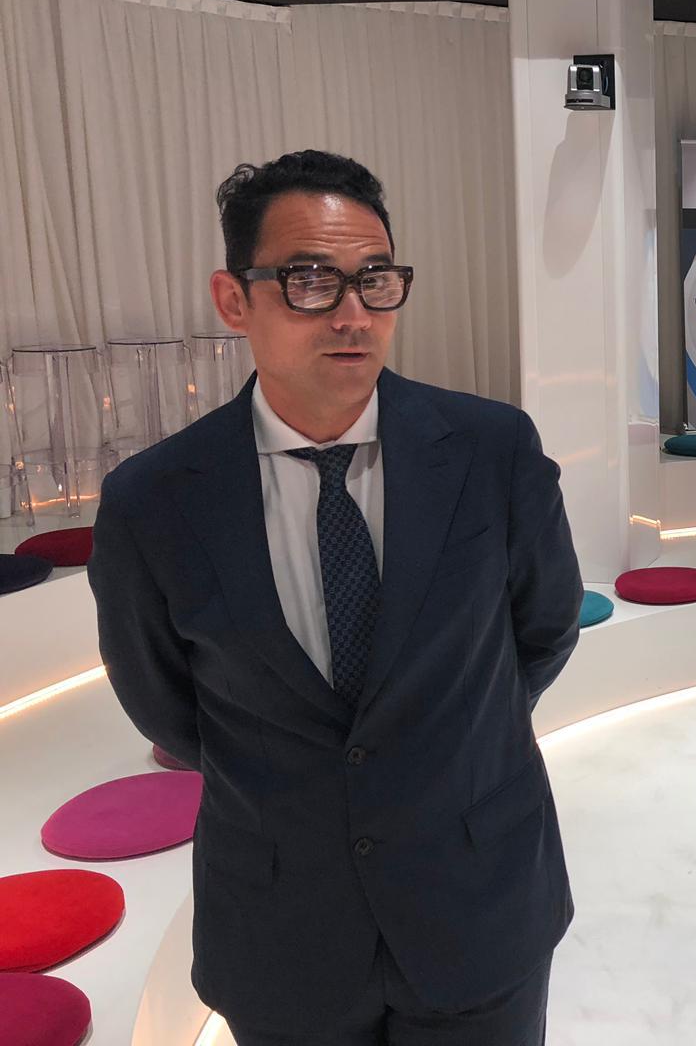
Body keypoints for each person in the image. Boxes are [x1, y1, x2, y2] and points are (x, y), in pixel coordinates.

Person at [86, 149, 583, 1045]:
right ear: (233, 299)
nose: (353, 314)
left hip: (477, 903)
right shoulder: (153, 500)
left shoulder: (492, 451)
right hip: (282, 932)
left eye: (375, 280)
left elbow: (542, 628)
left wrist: (448, 742)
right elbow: (166, 704)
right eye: (310, 280)